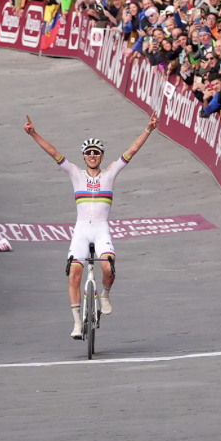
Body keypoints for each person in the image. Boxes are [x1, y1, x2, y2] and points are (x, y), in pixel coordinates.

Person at [23, 112, 159, 339]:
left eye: (96, 153)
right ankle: (77, 323)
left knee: (108, 268)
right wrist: (33, 133)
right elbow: (53, 152)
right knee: (74, 274)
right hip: (81, 231)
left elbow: (132, 151)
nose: (92, 156)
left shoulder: (110, 173)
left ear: (102, 156)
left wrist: (149, 129)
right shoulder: (75, 174)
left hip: (101, 229)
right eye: (88, 153)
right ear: (84, 157)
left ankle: (104, 294)